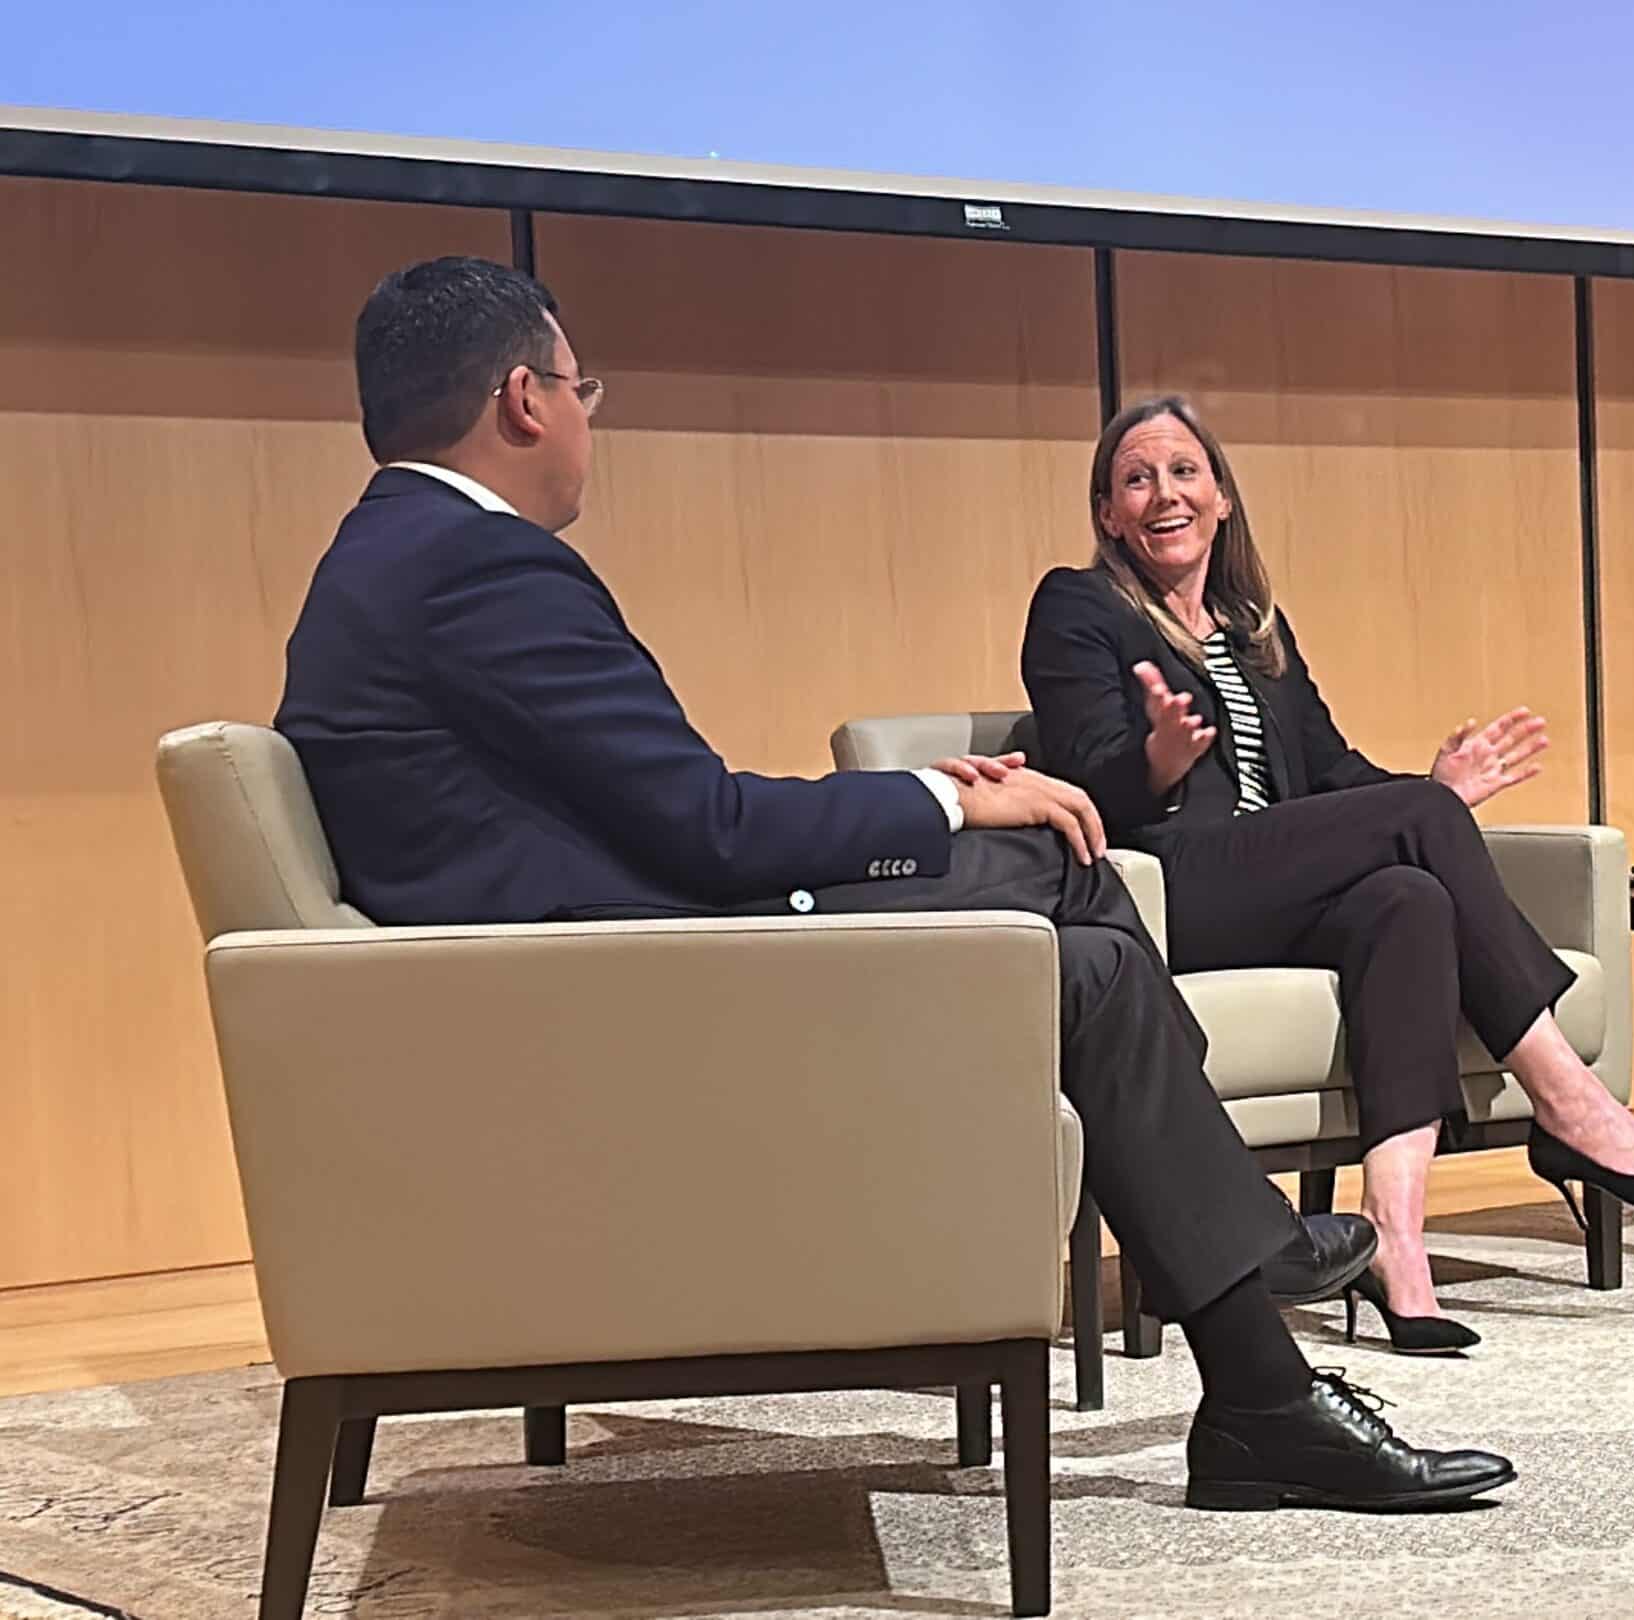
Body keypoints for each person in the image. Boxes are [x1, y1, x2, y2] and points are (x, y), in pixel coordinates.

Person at [275, 256, 1513, 1511]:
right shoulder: (482, 572)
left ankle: (1256, 1362)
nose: (592, 417)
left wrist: (945, 793)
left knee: (1069, 884)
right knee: (1068, 913)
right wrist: (943, 798)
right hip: (631, 1006)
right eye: (584, 387)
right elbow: (708, 830)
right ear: (526, 398)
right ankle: (1258, 1347)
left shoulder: (394, 559)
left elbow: (660, 807)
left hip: (591, 979)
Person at [1019, 395, 1634, 1353]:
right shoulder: (1078, 605)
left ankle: (1399, 1250)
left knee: (1409, 899)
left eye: (1185, 472)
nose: (1163, 495)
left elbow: (1336, 774)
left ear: (1223, 497)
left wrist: (1434, 792)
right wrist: (1154, 757)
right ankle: (1570, 1102)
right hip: (1170, 880)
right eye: (1136, 479)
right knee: (1414, 837)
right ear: (1108, 512)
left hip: (1276, 884)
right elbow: (1083, 765)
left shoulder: (1256, 629)